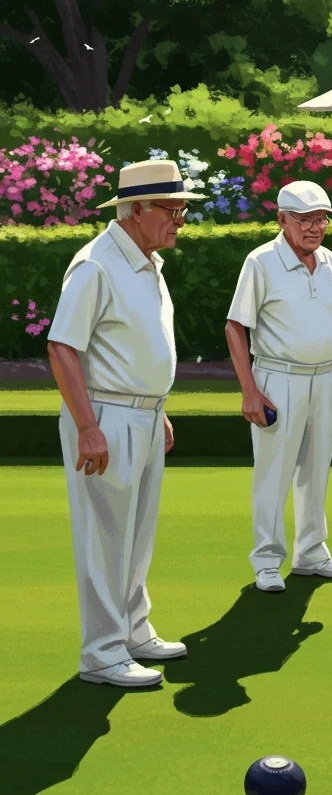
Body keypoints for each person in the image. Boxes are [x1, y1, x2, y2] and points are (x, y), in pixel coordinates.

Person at [46, 159, 206, 687]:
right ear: (135, 210)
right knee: (105, 537)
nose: (179, 220)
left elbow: (133, 344)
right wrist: (88, 427)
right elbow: (62, 346)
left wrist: (156, 408)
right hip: (106, 417)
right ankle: (102, 653)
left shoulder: (148, 261)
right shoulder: (96, 265)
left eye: (182, 210)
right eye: (171, 209)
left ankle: (134, 631)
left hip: (143, 415)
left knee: (137, 534)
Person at [225, 181, 332, 593]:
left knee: (316, 472)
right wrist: (250, 390)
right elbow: (234, 326)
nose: (314, 228)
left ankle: (311, 553)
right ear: (282, 219)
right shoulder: (261, 262)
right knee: (274, 473)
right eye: (304, 220)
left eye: (321, 219)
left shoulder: (330, 261)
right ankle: (267, 560)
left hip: (325, 379)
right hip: (278, 379)